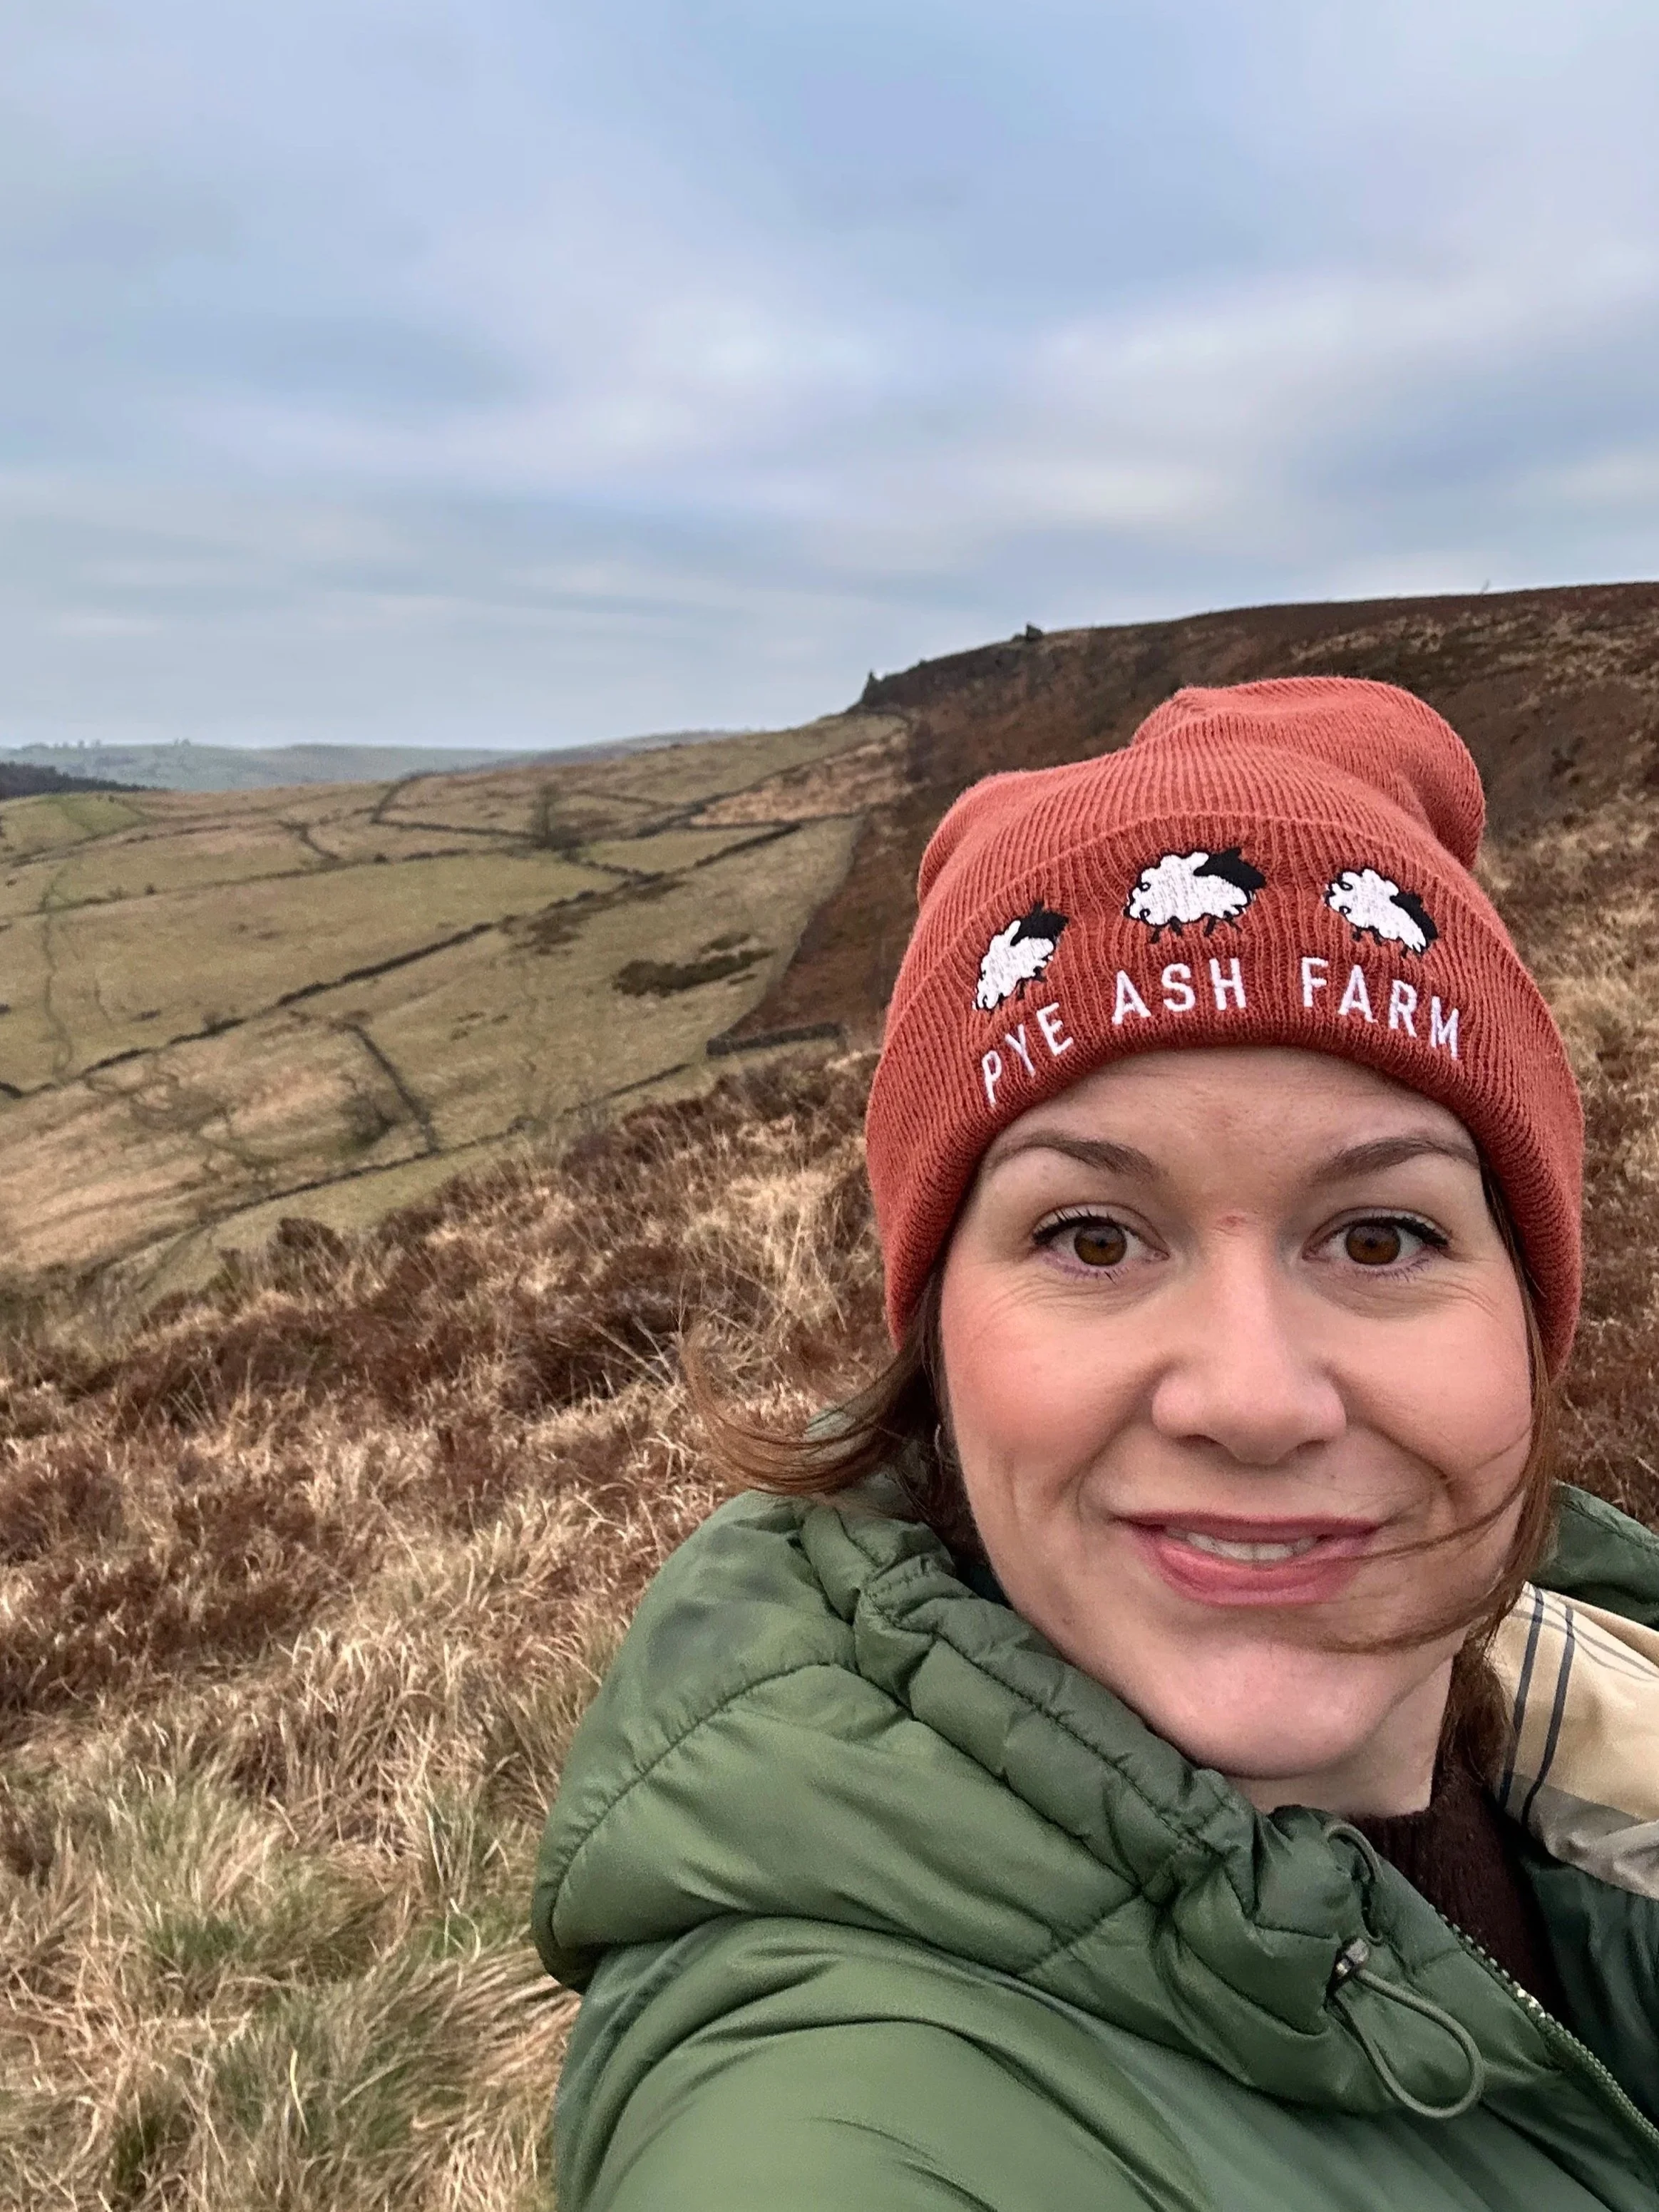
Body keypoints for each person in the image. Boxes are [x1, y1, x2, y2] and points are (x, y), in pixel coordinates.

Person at [532, 679, 1659, 2211]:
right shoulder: (825, 2130)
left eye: (1381, 1235)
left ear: (1527, 1316)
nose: (1251, 1397)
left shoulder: (1593, 1686)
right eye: (1090, 1236)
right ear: (934, 1356)